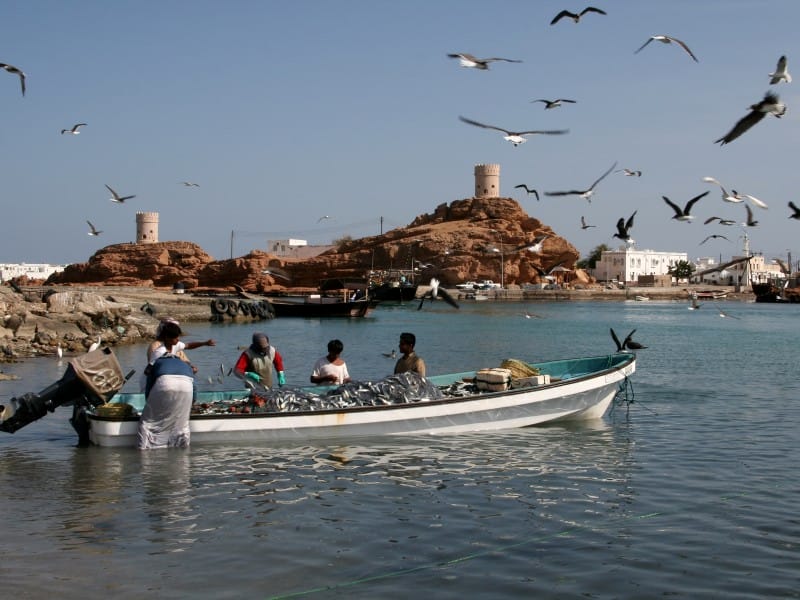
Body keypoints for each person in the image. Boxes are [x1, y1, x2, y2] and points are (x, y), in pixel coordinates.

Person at [137, 328, 196, 449]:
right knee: (182, 423)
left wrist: (148, 402)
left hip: (165, 383)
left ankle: (145, 450)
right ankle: (182, 447)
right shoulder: (184, 364)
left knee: (148, 422)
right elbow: (194, 386)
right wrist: (192, 402)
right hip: (187, 386)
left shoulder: (157, 359)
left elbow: (149, 384)